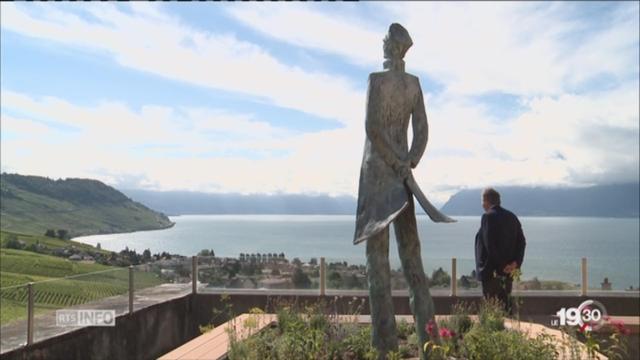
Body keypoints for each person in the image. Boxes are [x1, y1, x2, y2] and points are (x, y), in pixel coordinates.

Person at [353, 23, 451, 360]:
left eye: (385, 39)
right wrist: (409, 161)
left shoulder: (376, 81)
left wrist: (396, 163)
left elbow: (371, 127)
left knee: (377, 263)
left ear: (393, 47)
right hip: (403, 178)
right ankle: (432, 348)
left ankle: (385, 349)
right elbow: (423, 130)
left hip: (378, 178)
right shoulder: (413, 85)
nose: (382, 43)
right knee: (413, 262)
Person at [475, 187, 526, 314]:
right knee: (505, 306)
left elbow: (489, 245)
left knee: (491, 310)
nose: (482, 204)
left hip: (491, 272)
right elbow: (522, 242)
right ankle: (508, 332)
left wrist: (502, 266)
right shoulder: (512, 217)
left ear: (486, 201)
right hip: (508, 272)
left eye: (482, 200)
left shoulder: (487, 217)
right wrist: (515, 264)